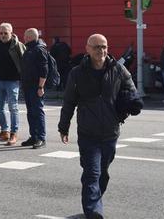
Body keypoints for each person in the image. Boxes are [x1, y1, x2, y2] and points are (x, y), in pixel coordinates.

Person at [59, 34, 140, 219]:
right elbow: (69, 102)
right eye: (96, 47)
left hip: (111, 132)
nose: (101, 50)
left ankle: (94, 202)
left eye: (103, 46)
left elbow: (131, 91)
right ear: (87, 48)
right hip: (88, 133)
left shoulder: (118, 69)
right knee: (92, 173)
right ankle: (94, 212)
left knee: (102, 174)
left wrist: (133, 103)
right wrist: (64, 127)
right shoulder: (77, 73)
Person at [0, 22, 26, 146]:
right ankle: (4, 131)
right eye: (1, 33)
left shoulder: (18, 45)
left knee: (13, 107)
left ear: (11, 33)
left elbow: (24, 62)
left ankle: (14, 133)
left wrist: (23, 78)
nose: (3, 35)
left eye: (5, 33)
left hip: (12, 81)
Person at [21, 28, 49, 149]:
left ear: (30, 37)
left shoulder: (39, 50)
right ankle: (33, 136)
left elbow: (44, 70)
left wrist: (40, 87)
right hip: (28, 87)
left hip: (35, 87)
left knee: (38, 112)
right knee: (31, 113)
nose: (24, 38)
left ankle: (41, 138)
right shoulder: (29, 49)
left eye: (25, 36)